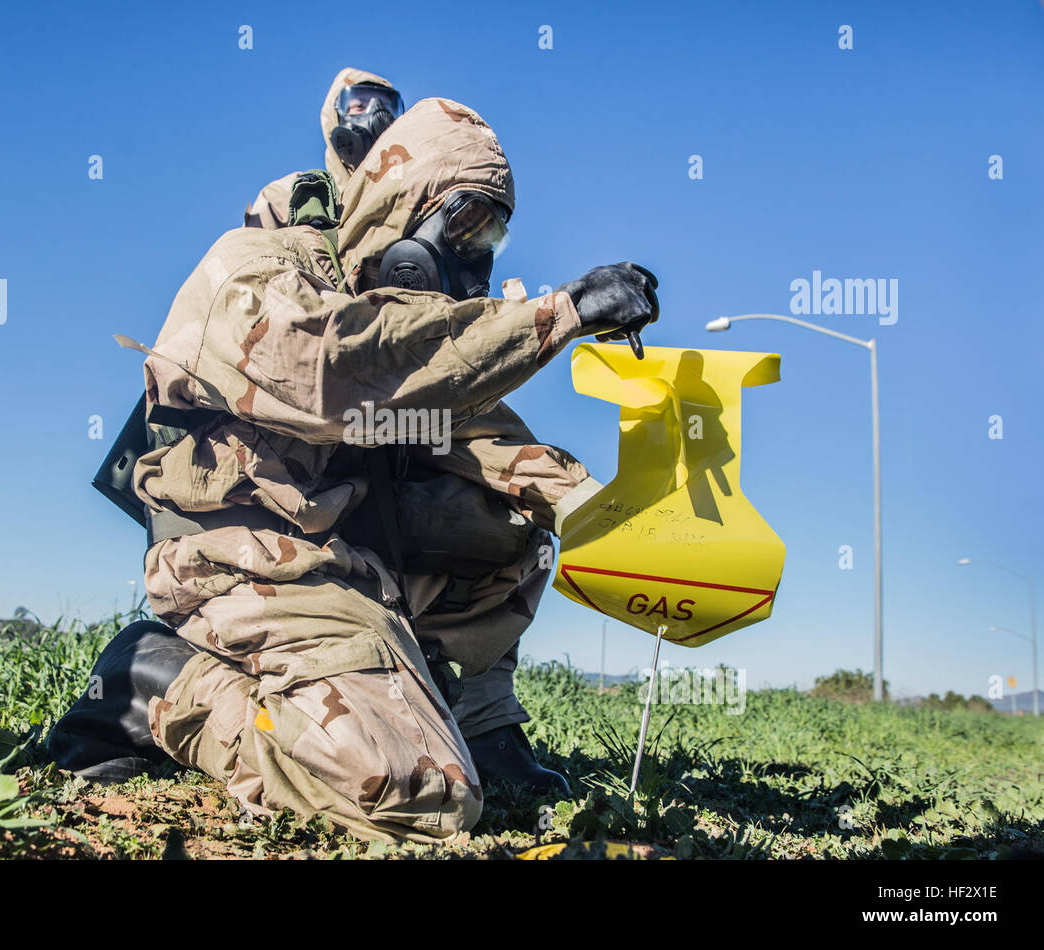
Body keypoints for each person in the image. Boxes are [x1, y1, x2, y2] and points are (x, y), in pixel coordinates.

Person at [50, 98, 659, 842]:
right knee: (418, 796)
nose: (474, 254)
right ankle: (158, 679)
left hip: (346, 551)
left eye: (493, 234)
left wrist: (611, 517)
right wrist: (557, 315)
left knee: (513, 526)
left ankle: (470, 716)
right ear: (401, 209)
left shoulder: (420, 310)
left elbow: (477, 428)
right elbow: (343, 368)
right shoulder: (258, 271)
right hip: (248, 557)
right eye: (463, 223)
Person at [243, 67, 402, 230]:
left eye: (387, 109)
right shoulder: (293, 194)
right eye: (360, 106)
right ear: (335, 118)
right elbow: (248, 249)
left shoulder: (411, 195)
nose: (378, 117)